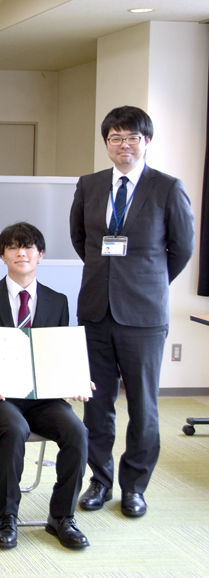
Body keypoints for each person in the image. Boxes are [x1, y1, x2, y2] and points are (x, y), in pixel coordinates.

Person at [70, 106, 195, 518]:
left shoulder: (167, 188)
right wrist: (109, 277)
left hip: (144, 315)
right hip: (96, 310)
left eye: (132, 138)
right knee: (96, 403)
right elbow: (81, 240)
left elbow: (182, 249)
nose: (123, 145)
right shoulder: (89, 185)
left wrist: (146, 281)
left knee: (143, 406)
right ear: (106, 143)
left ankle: (135, 487)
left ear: (146, 142)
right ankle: (99, 480)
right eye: (115, 138)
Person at [0, 222, 90, 549]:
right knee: (15, 428)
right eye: (13, 247)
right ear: (3, 255)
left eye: (29, 247)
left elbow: (59, 352)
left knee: (77, 431)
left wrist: (74, 378)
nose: (22, 253)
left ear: (40, 254)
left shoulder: (57, 301)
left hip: (42, 398)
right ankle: (7, 517)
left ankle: (62, 517)